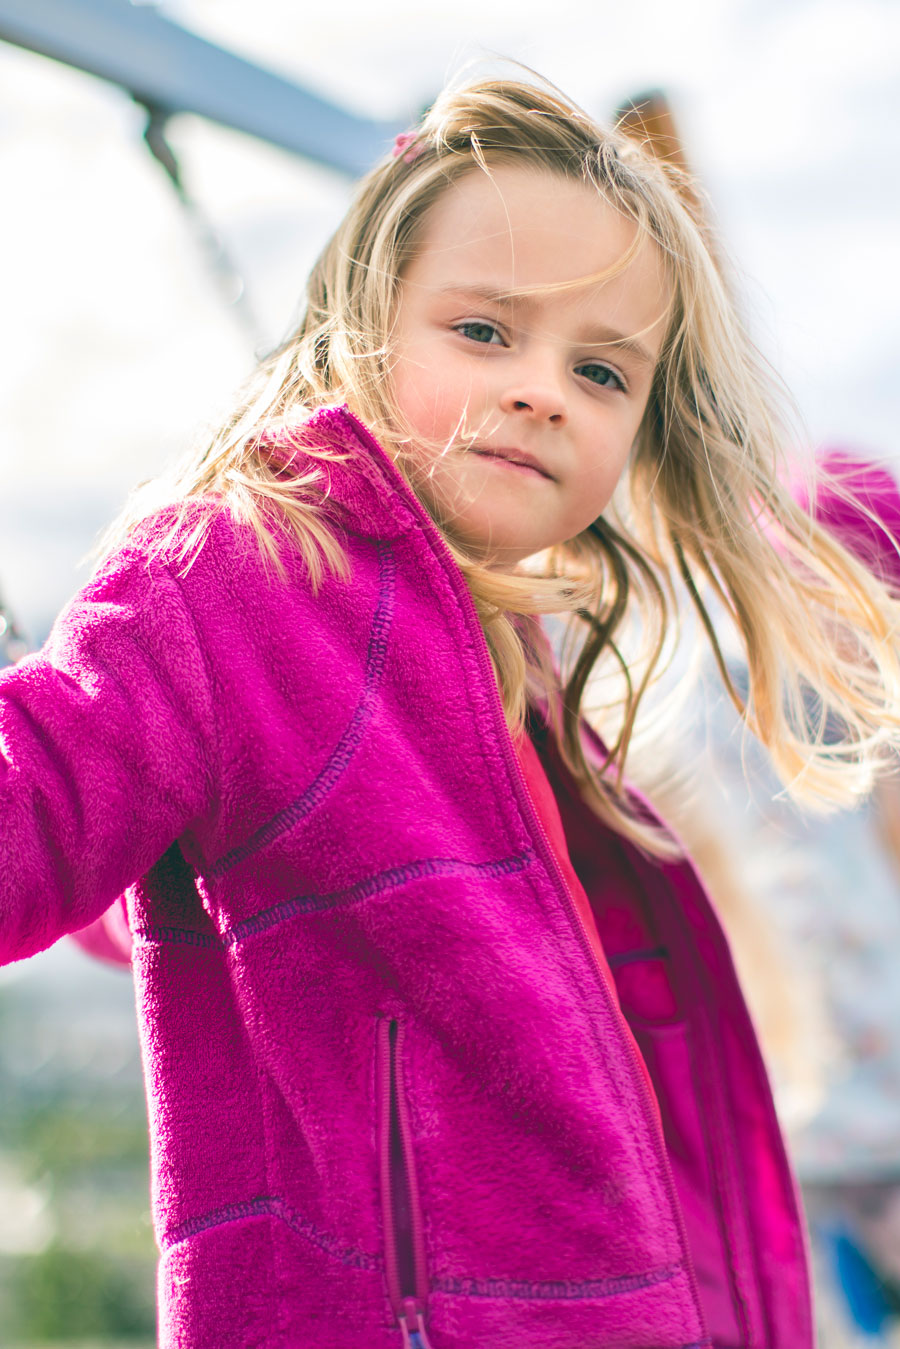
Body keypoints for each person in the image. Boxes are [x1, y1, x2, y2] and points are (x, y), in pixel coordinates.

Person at [2, 73, 899, 1349]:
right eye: (485, 332)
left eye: (599, 369)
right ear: (366, 319)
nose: (543, 388)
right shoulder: (231, 579)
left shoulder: (528, 689)